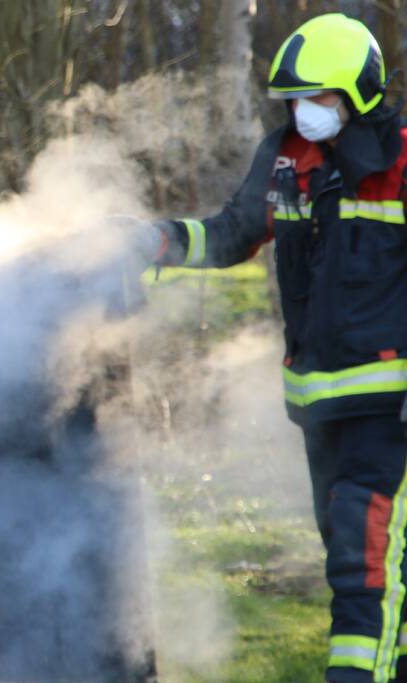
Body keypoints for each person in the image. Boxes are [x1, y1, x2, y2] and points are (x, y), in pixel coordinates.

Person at [133, 13, 407, 683]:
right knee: (360, 563)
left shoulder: (400, 157)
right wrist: (154, 241)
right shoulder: (285, 157)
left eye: (314, 96)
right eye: (293, 98)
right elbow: (229, 233)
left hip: (390, 410)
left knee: (361, 566)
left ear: (354, 92)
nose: (300, 111)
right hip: (319, 410)